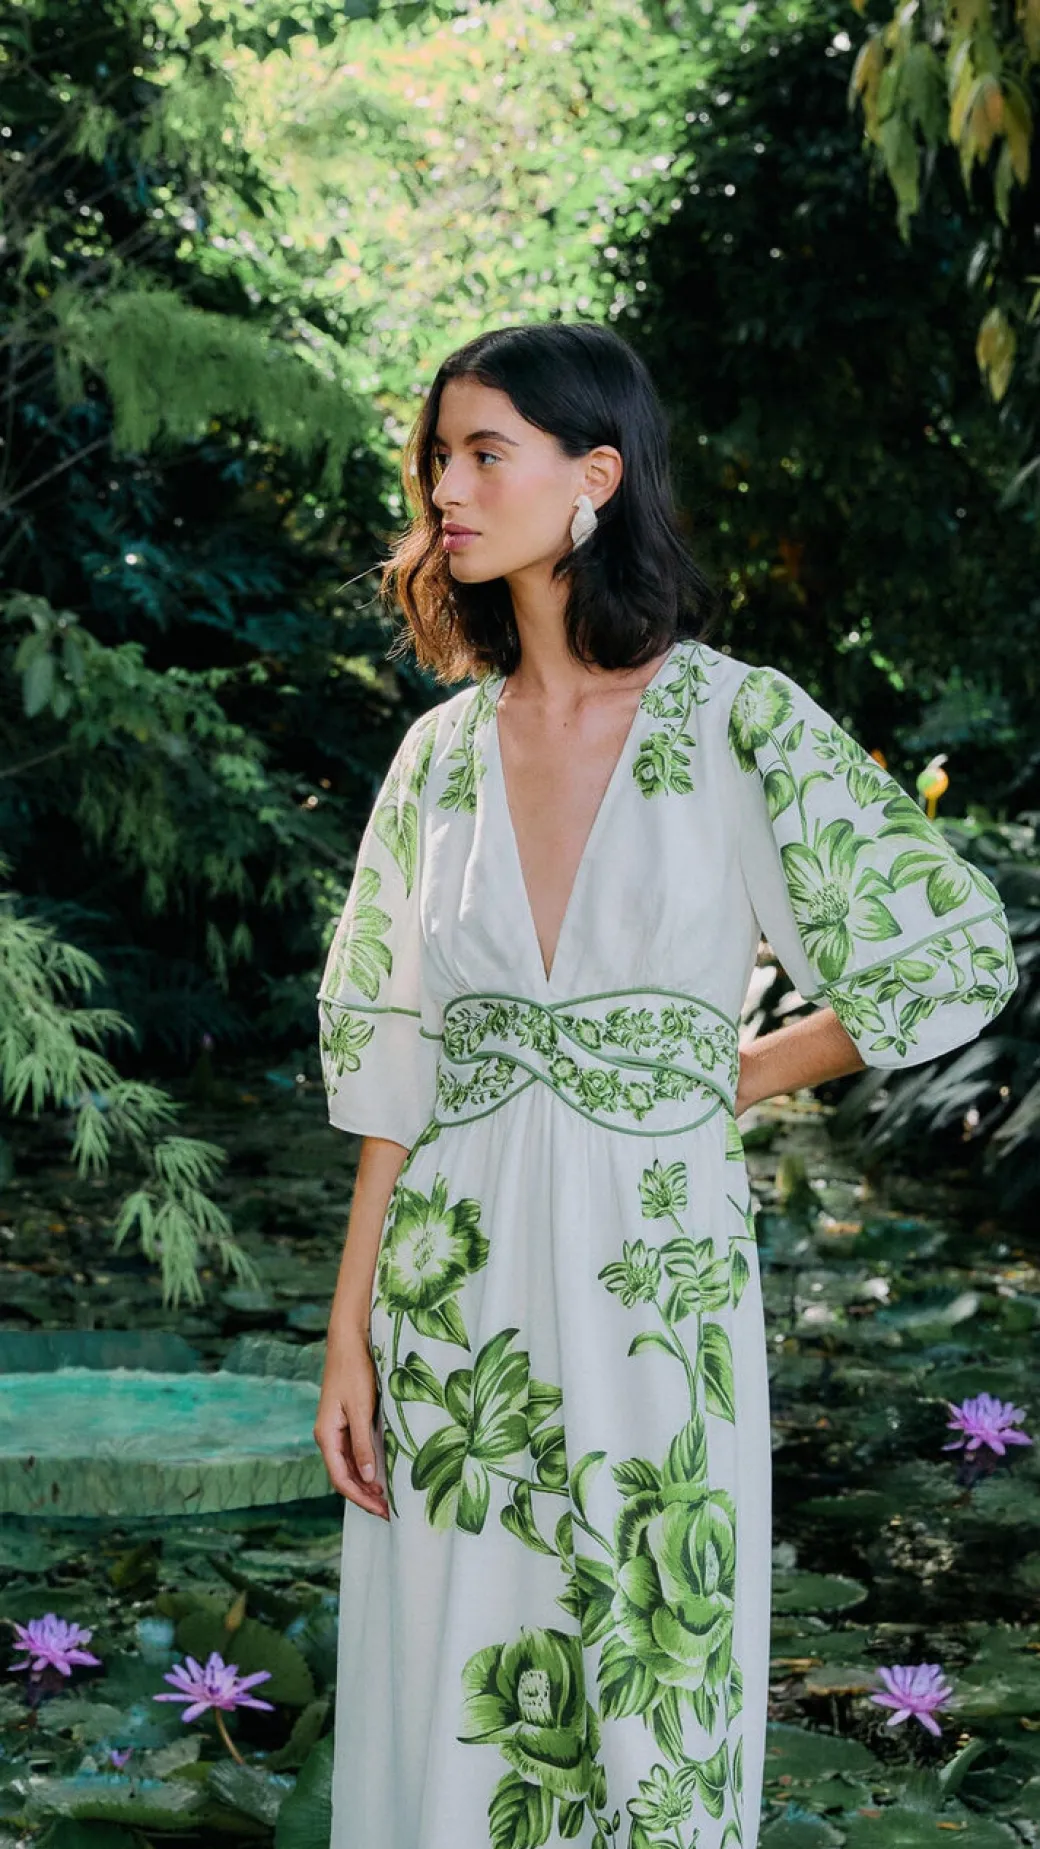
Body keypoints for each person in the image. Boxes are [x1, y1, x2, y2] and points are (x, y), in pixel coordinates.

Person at [312, 322, 1017, 1849]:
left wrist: (728, 1076)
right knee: (447, 1672)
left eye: (483, 453)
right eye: (437, 458)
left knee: (652, 1672)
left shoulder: (735, 721)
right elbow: (392, 1058)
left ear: (596, 476)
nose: (445, 489)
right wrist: (347, 1331)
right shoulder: (437, 759)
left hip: (654, 1270)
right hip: (449, 1295)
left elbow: (947, 954)